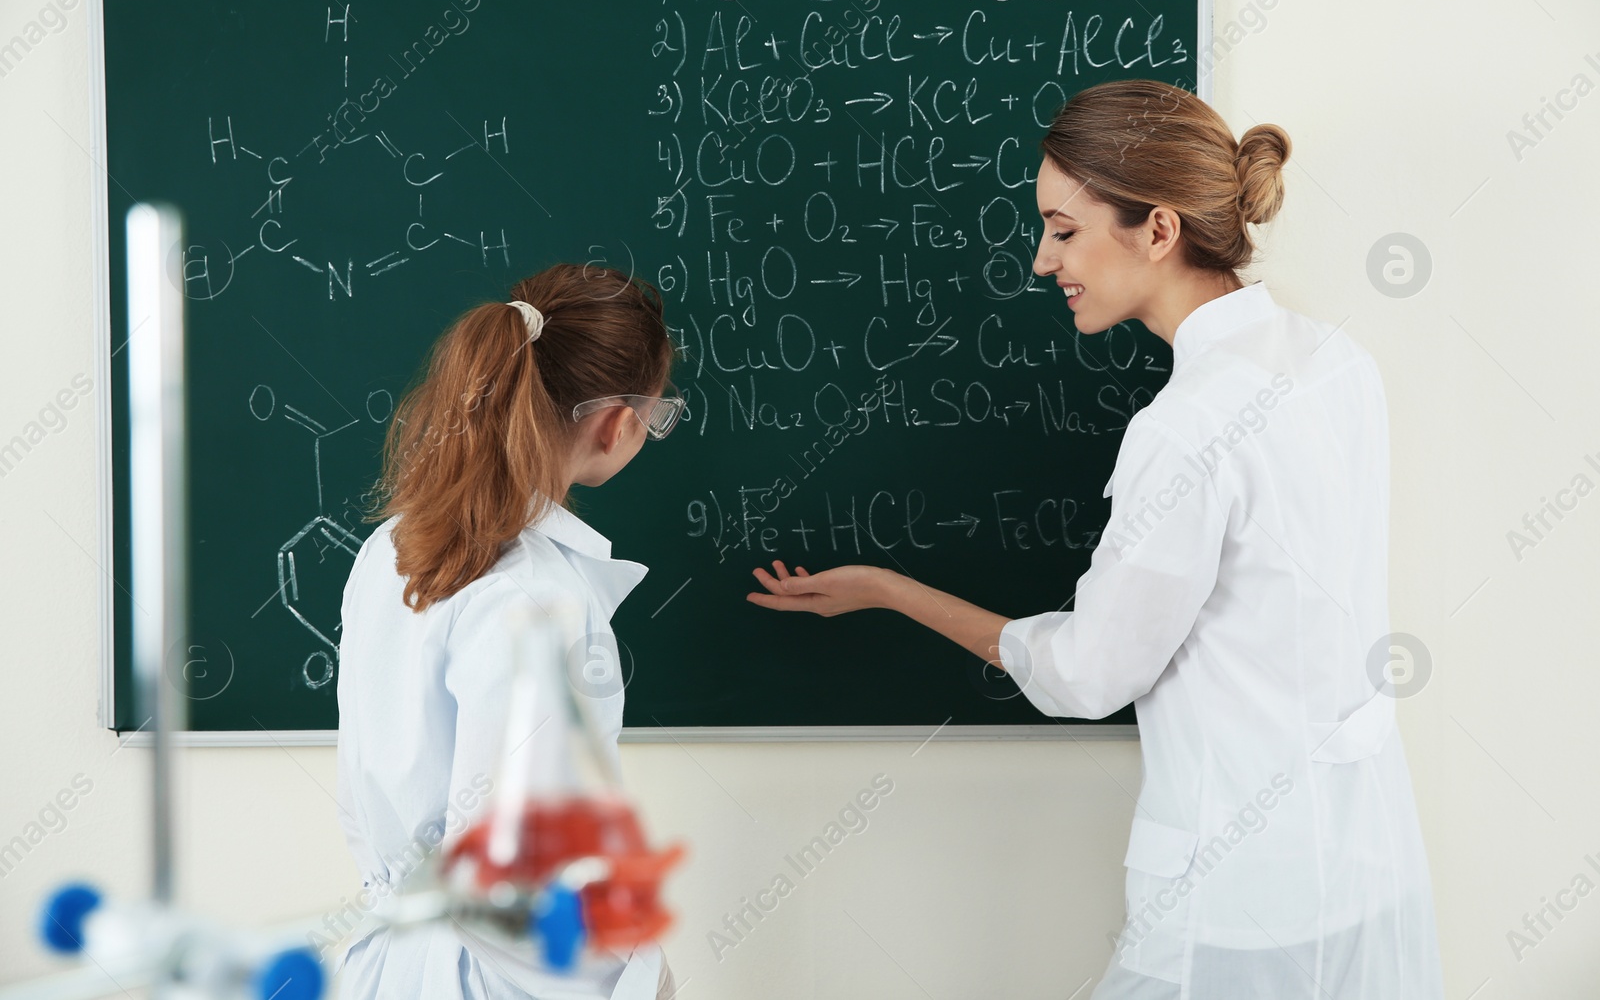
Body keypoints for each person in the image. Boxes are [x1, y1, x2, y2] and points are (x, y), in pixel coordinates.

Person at [746, 79, 1445, 999]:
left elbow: (1090, 674)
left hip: (1232, 900)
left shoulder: (1186, 426)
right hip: (1363, 866)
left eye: (1063, 230)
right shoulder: (1337, 363)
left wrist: (891, 588)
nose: (1043, 262)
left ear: (1159, 229)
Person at [333, 263, 686, 999]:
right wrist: (643, 980)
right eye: (657, 416)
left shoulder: (391, 546)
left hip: (394, 964)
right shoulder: (540, 598)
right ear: (617, 423)